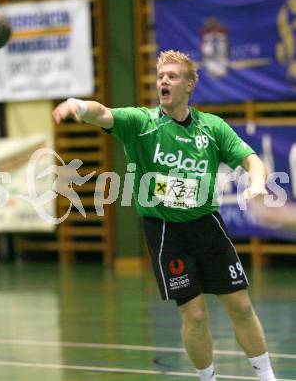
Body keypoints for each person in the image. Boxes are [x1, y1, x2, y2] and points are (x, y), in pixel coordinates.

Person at [52, 50, 277, 381]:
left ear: (189, 84)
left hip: (207, 226)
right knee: (195, 314)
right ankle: (208, 378)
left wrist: (257, 183)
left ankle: (267, 377)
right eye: (160, 77)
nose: (164, 81)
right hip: (165, 232)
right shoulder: (141, 123)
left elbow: (252, 160)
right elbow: (104, 114)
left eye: (172, 76)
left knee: (241, 306)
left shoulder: (212, 128)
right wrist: (80, 106)